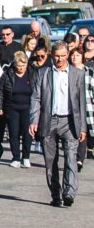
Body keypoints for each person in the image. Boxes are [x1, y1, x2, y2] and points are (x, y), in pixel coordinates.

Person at [29, 42, 88, 207]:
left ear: (68, 54)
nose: (60, 59)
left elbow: (81, 102)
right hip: (49, 120)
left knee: (71, 157)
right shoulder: (43, 73)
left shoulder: (77, 74)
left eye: (63, 55)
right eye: (57, 56)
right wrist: (34, 120)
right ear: (51, 55)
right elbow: (35, 98)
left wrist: (82, 126)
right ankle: (56, 194)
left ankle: (69, 192)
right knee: (50, 160)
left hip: (69, 121)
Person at [0, 52, 34, 169]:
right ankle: (16, 157)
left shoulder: (32, 73)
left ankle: (26, 157)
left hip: (28, 108)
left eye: (23, 65)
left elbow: (37, 90)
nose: (21, 68)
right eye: (18, 65)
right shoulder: (8, 74)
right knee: (14, 133)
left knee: (28, 133)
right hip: (12, 107)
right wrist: (0, 106)